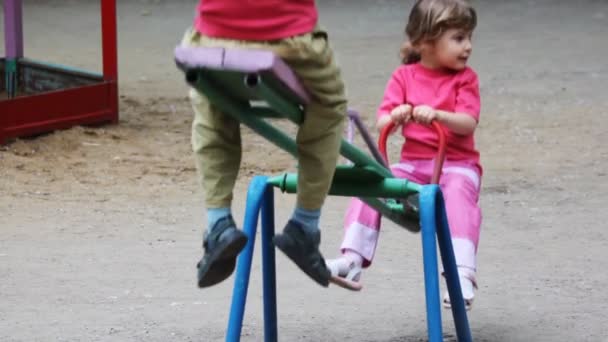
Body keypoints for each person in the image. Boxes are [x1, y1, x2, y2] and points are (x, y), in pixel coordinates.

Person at [326, 0, 482, 309]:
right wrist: (397, 115)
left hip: (457, 165)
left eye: (468, 38)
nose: (468, 47)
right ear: (426, 42)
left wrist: (437, 115)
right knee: (370, 182)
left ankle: (461, 273)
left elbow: (467, 123)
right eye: (458, 38)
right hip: (414, 165)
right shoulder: (405, 77)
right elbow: (383, 122)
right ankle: (352, 259)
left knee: (457, 195)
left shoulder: (465, 79)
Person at [182, 1, 347, 289]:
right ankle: (305, 227)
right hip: (289, 40)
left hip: (214, 36)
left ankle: (218, 222)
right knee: (329, 108)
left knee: (211, 107)